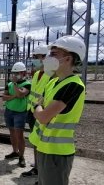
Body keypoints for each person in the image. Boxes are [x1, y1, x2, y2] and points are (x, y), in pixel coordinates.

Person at [29, 36, 86, 185]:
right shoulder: (54, 82)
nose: (48, 58)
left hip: (57, 152)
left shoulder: (73, 85)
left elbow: (42, 116)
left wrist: (36, 107)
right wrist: (39, 107)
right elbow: (41, 109)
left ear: (68, 59)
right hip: (44, 147)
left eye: (54, 54)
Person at [21, 45, 51, 178]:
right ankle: (38, 166)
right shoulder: (37, 74)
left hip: (43, 113)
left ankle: (41, 168)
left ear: (45, 58)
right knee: (34, 140)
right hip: (32, 112)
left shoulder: (51, 75)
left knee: (42, 141)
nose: (35, 60)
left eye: (36, 57)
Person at [2, 62, 31, 168]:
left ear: (23, 73)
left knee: (19, 135)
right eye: (13, 73)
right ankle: (15, 151)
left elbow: (20, 94)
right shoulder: (9, 84)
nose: (14, 75)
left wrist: (14, 86)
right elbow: (4, 97)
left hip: (20, 112)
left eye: (17, 73)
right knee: (12, 133)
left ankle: (21, 156)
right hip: (9, 111)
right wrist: (14, 96)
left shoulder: (27, 84)